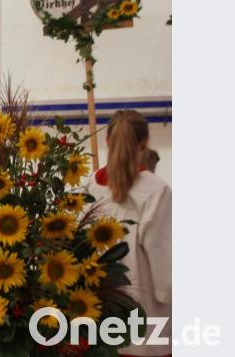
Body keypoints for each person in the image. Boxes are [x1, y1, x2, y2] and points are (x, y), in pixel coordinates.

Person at [87, 110, 171, 357]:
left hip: (99, 321)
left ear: (107, 142)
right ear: (145, 143)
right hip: (147, 328)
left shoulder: (87, 187)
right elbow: (166, 271)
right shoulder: (157, 191)